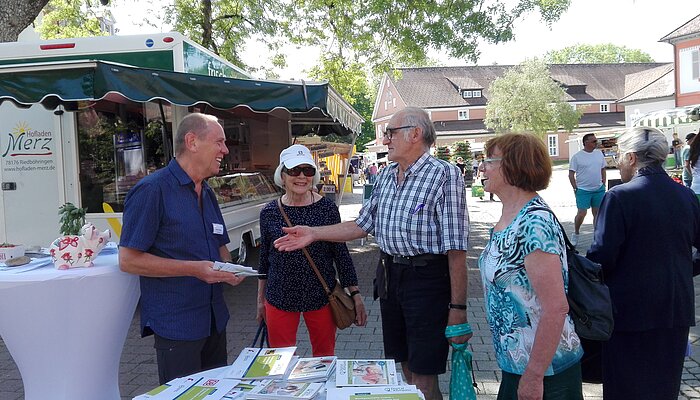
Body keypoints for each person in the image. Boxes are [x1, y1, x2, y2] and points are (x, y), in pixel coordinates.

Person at [273, 107, 470, 400]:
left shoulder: (444, 175)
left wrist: (458, 309)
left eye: (390, 132)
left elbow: (456, 249)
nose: (385, 138)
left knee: (424, 373)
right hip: (390, 277)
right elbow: (361, 225)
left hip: (427, 281)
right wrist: (314, 233)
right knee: (403, 364)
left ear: (415, 134)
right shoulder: (387, 175)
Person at [119, 113, 246, 384]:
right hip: (178, 324)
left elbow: (220, 243)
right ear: (192, 142)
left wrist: (230, 268)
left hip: (214, 319)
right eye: (219, 142)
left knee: (214, 392)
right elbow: (129, 261)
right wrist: (194, 270)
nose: (225, 150)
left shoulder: (207, 191)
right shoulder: (152, 190)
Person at [587, 127, 700, 400]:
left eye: (617, 156)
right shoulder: (685, 195)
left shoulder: (620, 196)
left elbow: (602, 256)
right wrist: (683, 269)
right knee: (663, 388)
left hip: (629, 311)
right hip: (674, 309)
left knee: (626, 388)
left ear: (631, 158)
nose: (617, 162)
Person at [478, 133, 583, 400]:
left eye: (489, 160)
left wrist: (534, 375)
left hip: (546, 371)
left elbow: (556, 307)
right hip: (518, 364)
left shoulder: (533, 223)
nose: (481, 167)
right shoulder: (509, 215)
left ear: (513, 166)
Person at [257, 144, 367, 356]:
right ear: (282, 174)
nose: (301, 176)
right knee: (279, 361)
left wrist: (355, 293)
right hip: (279, 295)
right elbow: (264, 261)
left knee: (324, 358)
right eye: (294, 170)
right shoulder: (269, 212)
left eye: (307, 170)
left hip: (321, 295)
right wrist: (260, 301)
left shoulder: (326, 208)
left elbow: (341, 254)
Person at [568, 133, 606, 246]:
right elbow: (571, 174)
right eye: (594, 141)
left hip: (598, 189)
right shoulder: (577, 157)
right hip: (583, 190)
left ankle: (597, 236)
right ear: (586, 143)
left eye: (596, 141)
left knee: (598, 213)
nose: (596, 143)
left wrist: (603, 181)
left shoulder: (599, 154)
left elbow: (603, 169)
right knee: (582, 213)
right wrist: (575, 188)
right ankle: (576, 233)